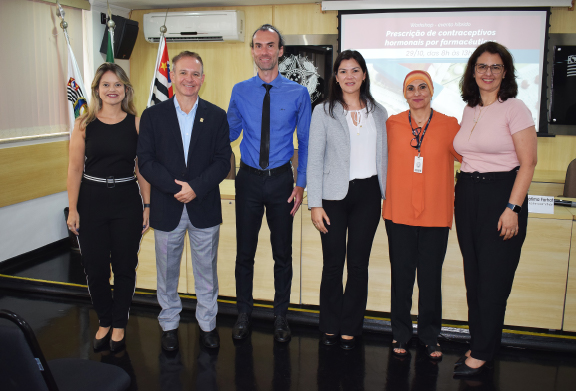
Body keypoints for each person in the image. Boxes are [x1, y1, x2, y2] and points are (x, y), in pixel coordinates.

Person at [137, 51, 232, 351]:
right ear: (173, 76)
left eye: (195, 74)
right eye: (183, 73)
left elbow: (222, 161)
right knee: (166, 273)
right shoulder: (153, 115)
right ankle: (169, 325)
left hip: (203, 205)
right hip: (167, 207)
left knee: (206, 272)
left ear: (203, 79)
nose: (189, 79)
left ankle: (207, 325)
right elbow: (146, 161)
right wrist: (177, 188)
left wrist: (195, 188)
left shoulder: (216, 116)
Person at [452, 41, 537, 376]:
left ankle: (483, 351)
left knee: (493, 279)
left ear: (505, 72)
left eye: (495, 67)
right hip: (468, 193)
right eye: (482, 67)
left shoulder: (515, 108)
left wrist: (512, 207)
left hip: (502, 197)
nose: (488, 73)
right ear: (473, 72)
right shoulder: (470, 108)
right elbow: (466, 152)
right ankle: (480, 340)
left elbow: (528, 163)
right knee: (474, 276)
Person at [228, 24, 311, 343]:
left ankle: (280, 318)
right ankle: (244, 315)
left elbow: (303, 142)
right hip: (247, 180)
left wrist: (300, 184)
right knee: (244, 254)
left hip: (281, 183)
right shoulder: (240, 91)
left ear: (280, 51)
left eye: (270, 46)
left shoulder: (298, 93)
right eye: (258, 45)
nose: (263, 51)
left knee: (282, 255)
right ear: (252, 51)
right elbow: (230, 132)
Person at [67, 62, 151, 352]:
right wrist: (73, 208)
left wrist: (147, 204)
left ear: (126, 89)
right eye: (106, 85)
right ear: (97, 90)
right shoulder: (84, 124)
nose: (112, 90)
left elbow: (142, 169)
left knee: (126, 265)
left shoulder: (137, 123)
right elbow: (75, 169)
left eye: (117, 85)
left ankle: (119, 323)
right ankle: (104, 319)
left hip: (127, 199)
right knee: (95, 267)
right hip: (91, 199)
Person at [307, 50, 388, 350]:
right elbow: (313, 159)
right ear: (336, 77)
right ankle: (329, 324)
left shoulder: (379, 112)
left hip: (368, 195)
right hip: (332, 197)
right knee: (332, 264)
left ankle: (350, 326)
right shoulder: (323, 111)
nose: (349, 76)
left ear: (364, 75)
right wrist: (314, 203)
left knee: (358, 265)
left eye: (355, 70)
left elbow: (386, 159)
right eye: (343, 71)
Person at [382, 70, 461, 360]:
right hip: (399, 213)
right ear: (404, 93)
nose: (417, 93)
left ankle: (430, 336)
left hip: (436, 215)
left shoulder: (450, 125)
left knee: (430, 279)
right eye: (411, 88)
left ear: (432, 91)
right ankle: (400, 334)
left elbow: (472, 154)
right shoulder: (391, 124)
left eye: (423, 87)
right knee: (401, 278)